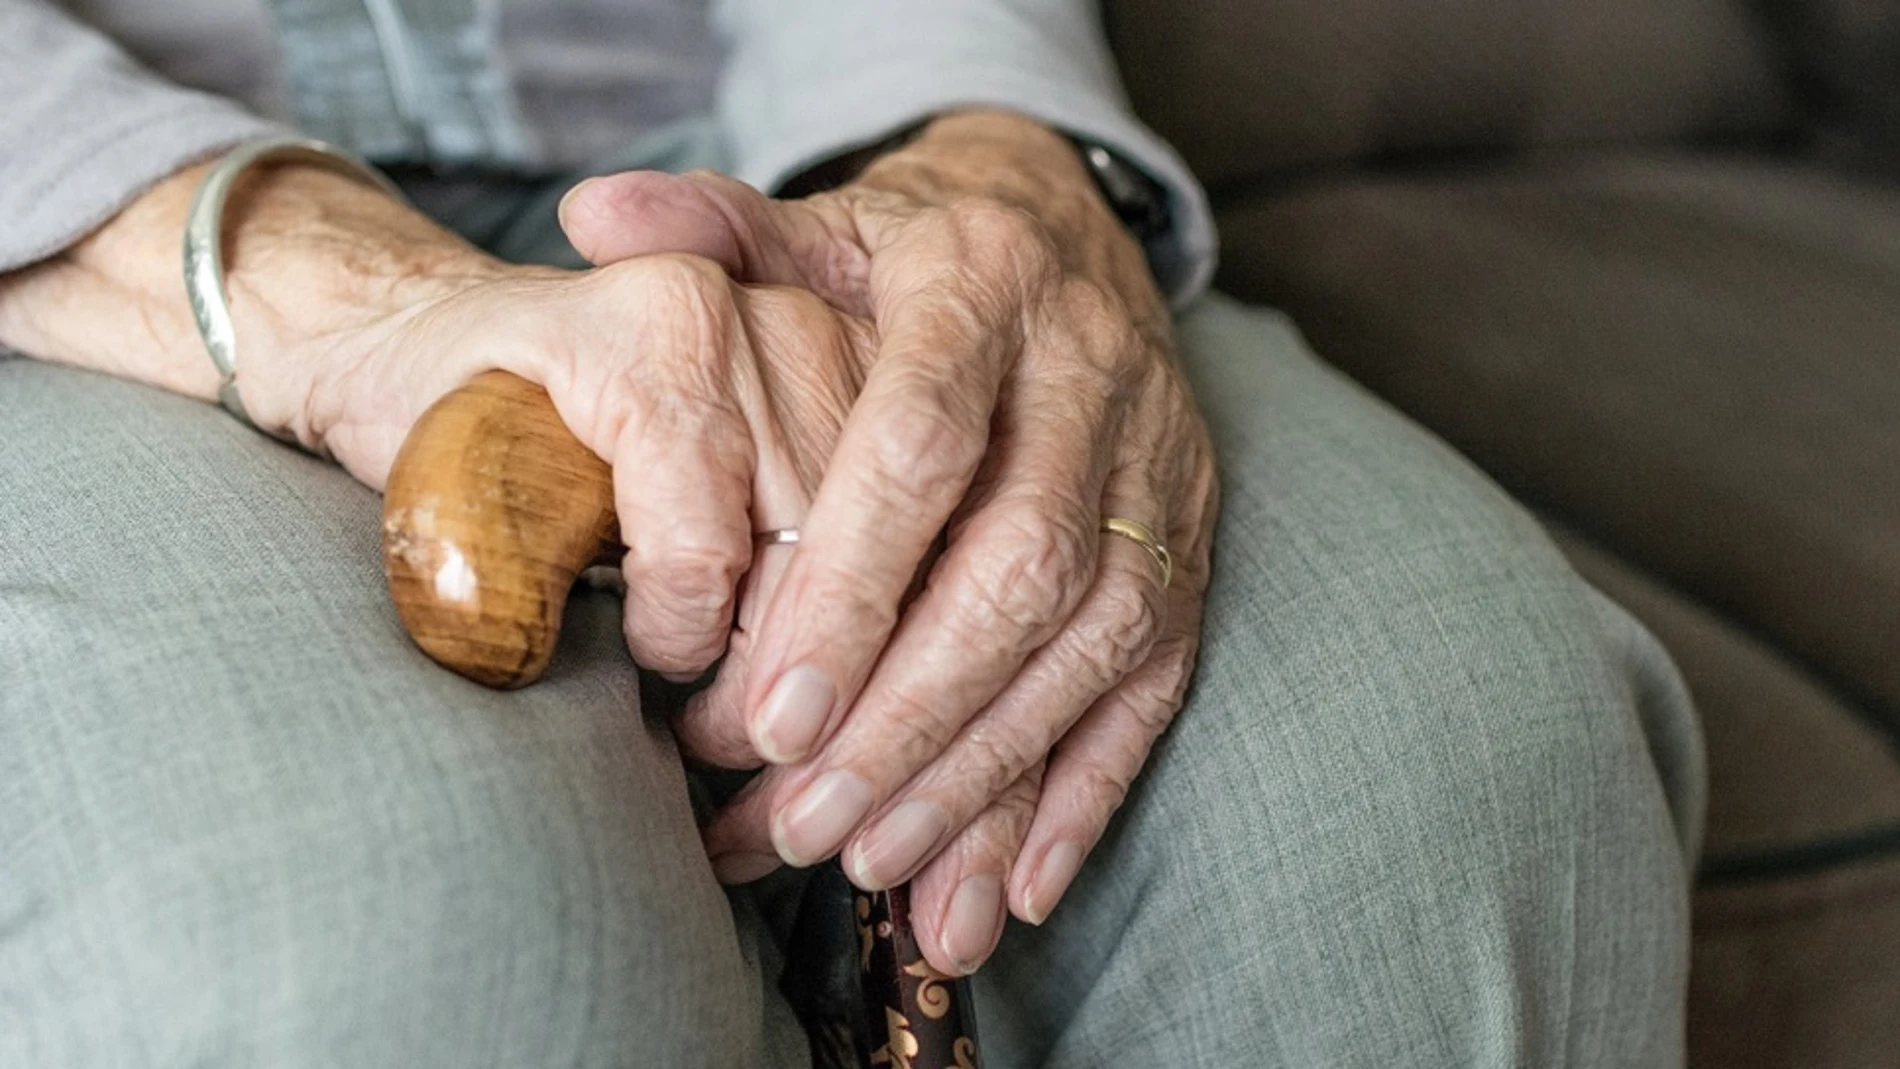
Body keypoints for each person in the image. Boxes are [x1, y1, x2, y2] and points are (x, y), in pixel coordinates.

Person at [0, 1, 1705, 1065]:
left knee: (1452, 783)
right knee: (378, 955)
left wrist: (992, 157)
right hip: (81, 239)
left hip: (785, 176)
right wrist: (327, 286)